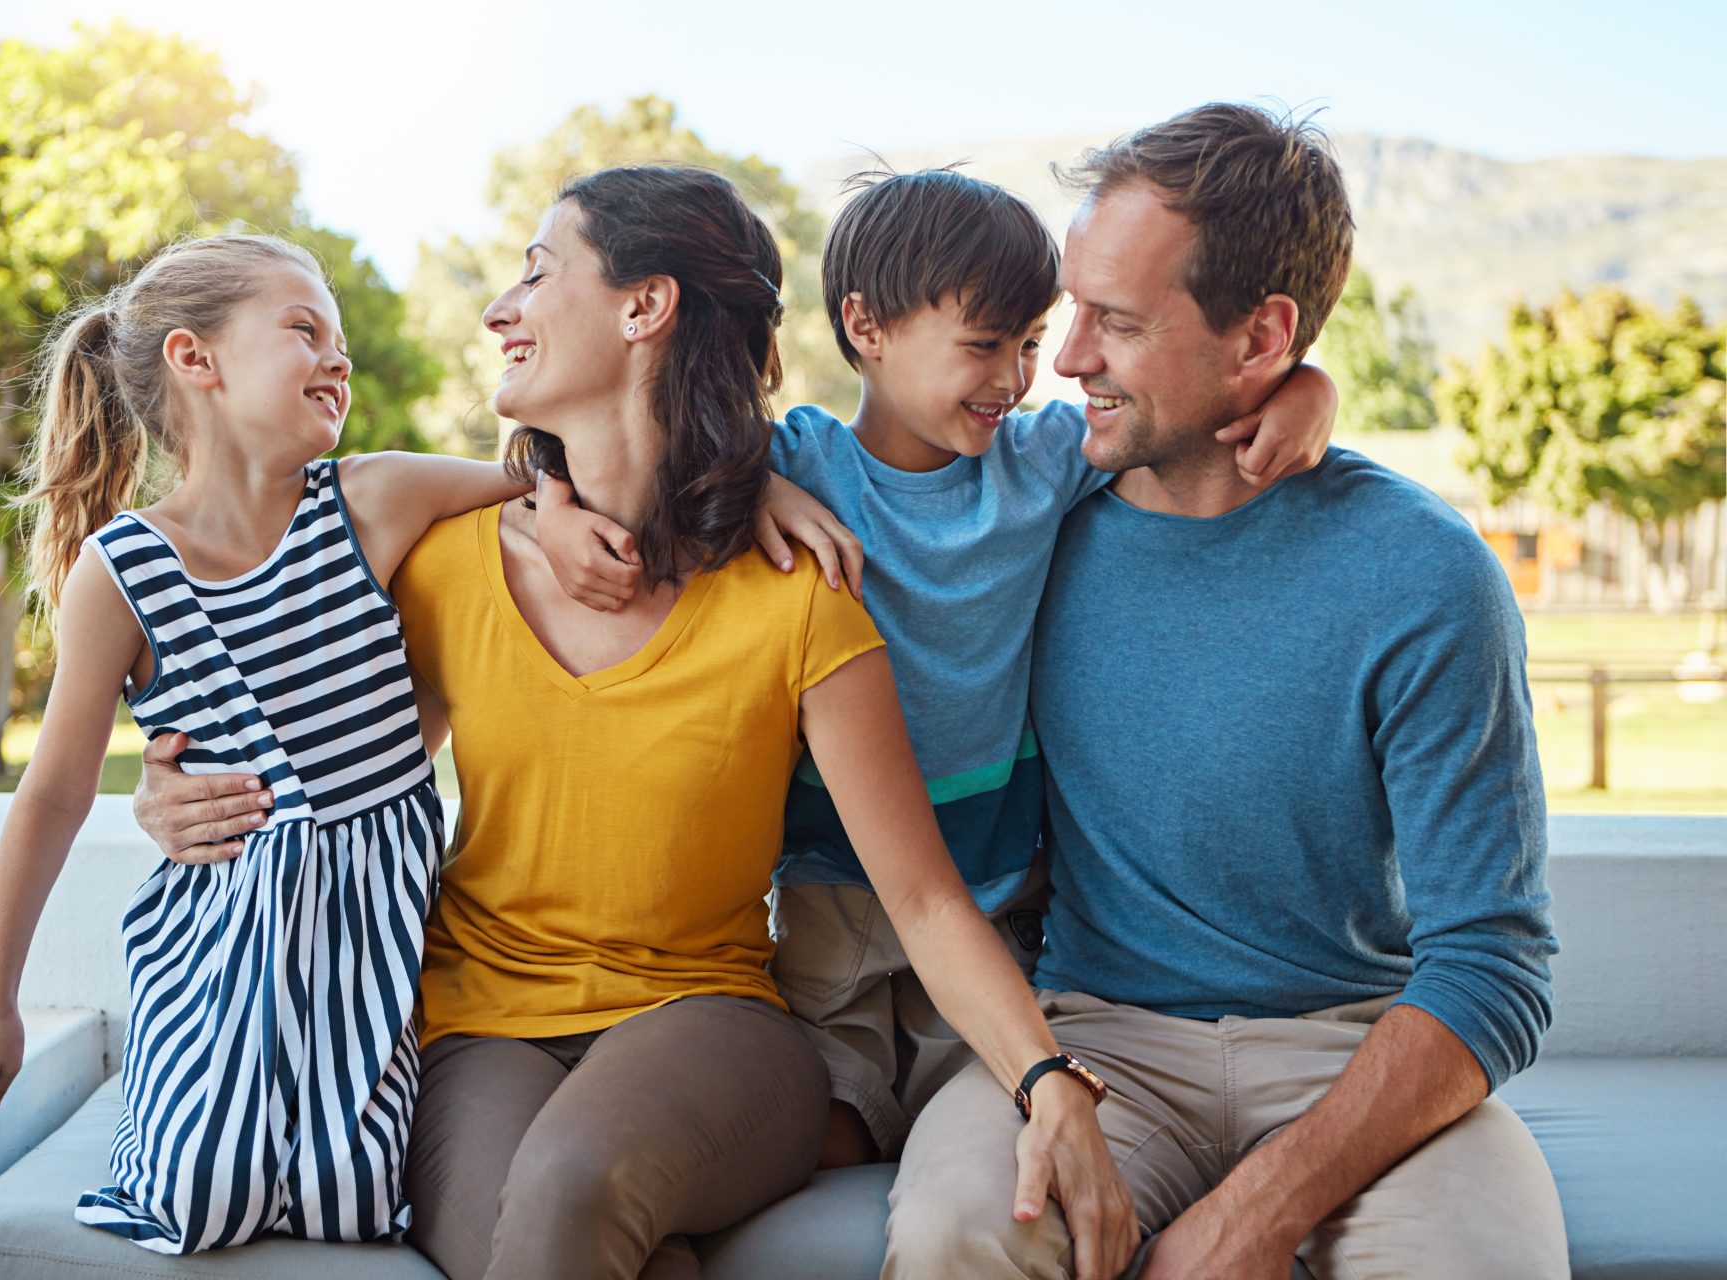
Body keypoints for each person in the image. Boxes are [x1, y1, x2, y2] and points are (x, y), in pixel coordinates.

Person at [133, 167, 1123, 1280]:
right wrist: (175, 794)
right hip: (479, 1031)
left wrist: (1049, 1081)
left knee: (568, 1189)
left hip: (720, 1027)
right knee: (578, 1242)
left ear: (643, 306)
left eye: (537, 273)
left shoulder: (796, 592)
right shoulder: (448, 566)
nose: (501, 308)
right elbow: (320, 770)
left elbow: (928, 899)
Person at [541, 166, 1338, 1179]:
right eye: (983, 344)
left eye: (1030, 345)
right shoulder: (795, 463)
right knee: (829, 1120)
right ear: (866, 326)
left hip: (999, 890)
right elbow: (610, 449)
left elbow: (1186, 410)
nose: (1014, 376)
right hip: (834, 883)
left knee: (971, 1118)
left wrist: (1312, 390)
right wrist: (552, 500)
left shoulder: (1041, 459)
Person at [882, 104, 1569, 1280]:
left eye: (1117, 323)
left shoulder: (1424, 574)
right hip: (1092, 1034)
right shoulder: (1030, 521)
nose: (1067, 360)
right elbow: (837, 459)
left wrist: (1258, 1212)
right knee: (956, 1238)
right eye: (1072, 309)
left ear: (1263, 341)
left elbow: (1493, 964)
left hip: (1354, 1041)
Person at [0, 233, 584, 1254]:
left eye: (340, 339)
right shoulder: (121, 573)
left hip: (371, 952)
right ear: (194, 360)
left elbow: (544, 474)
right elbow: (54, 795)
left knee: (350, 1191)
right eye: (304, 330)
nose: (339, 358)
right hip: (220, 949)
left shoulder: (375, 499)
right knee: (201, 1190)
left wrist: (604, 509)